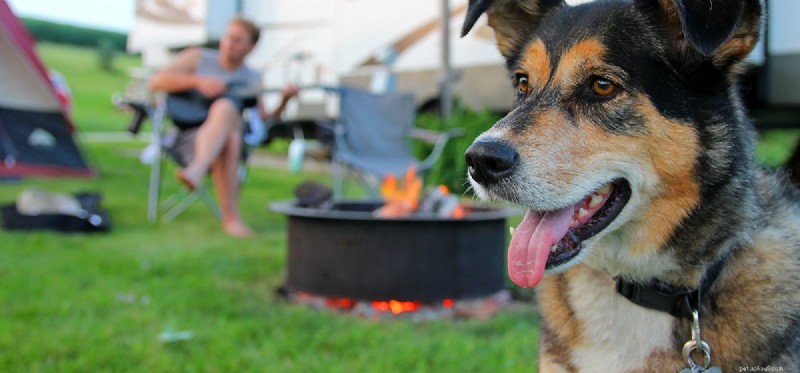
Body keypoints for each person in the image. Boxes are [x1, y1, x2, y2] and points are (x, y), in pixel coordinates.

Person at [149, 17, 299, 237]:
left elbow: (264, 119)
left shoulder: (252, 78)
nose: (230, 43)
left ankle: (197, 171)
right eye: (228, 36)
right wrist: (197, 82)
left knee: (227, 113)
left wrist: (285, 100)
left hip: (228, 139)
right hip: (187, 135)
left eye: (238, 40)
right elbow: (157, 81)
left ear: (251, 47)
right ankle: (231, 219)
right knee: (229, 129)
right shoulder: (198, 58)